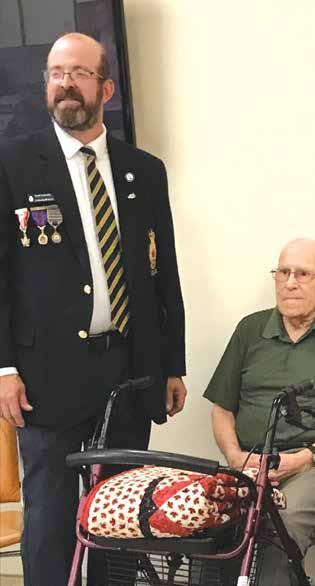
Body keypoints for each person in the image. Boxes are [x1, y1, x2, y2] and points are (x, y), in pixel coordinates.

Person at [0, 33, 187, 586]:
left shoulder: (143, 169)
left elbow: (163, 273)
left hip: (127, 367)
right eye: (56, 73)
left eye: (79, 73)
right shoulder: (13, 163)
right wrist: (4, 368)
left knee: (118, 515)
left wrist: (171, 363)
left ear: (105, 88)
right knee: (50, 517)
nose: (65, 83)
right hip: (45, 373)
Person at [204, 238, 315, 585]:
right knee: (208, 517)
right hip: (251, 462)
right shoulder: (250, 330)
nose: (290, 282)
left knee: (276, 526)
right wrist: (236, 457)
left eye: (302, 274)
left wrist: (303, 459)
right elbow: (222, 409)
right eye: (283, 272)